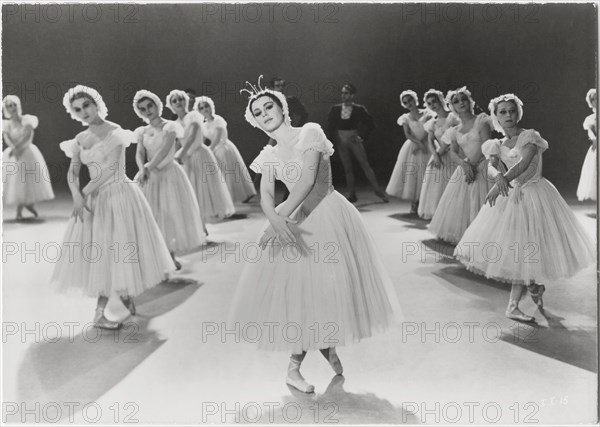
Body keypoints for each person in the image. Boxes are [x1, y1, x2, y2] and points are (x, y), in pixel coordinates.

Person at [228, 76, 401, 394]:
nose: (265, 113)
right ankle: (293, 369)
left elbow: (307, 181)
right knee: (301, 289)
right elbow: (266, 192)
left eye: (270, 106)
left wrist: (278, 218)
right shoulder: (269, 153)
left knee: (325, 285)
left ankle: (324, 343)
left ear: (283, 109)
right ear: (253, 121)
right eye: (258, 111)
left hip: (327, 215)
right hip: (292, 218)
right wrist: (273, 218)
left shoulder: (310, 132)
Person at [455, 94, 595, 322]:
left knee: (533, 245)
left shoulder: (529, 137)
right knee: (518, 248)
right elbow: (490, 167)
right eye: (503, 112)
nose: (508, 115)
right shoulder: (496, 144)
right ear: (496, 116)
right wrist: (498, 176)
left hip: (534, 195)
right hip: (511, 197)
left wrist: (504, 180)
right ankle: (520, 297)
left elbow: (525, 164)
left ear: (518, 113)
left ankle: (530, 286)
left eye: (512, 111)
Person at [50, 85, 174, 329]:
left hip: (119, 195)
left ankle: (125, 294)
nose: (83, 111)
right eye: (77, 109)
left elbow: (111, 168)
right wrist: (76, 195)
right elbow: (73, 171)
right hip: (96, 200)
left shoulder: (115, 131)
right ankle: (99, 314)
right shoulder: (79, 140)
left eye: (86, 105)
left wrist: (84, 192)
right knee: (104, 253)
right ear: (73, 113)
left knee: (120, 248)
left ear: (96, 104)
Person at [133, 89, 206, 270]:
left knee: (169, 215)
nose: (147, 110)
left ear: (157, 105)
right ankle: (153, 257)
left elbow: (164, 151)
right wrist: (142, 169)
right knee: (151, 215)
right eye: (143, 109)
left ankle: (170, 256)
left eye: (150, 106)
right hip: (149, 175)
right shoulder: (142, 131)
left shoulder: (170, 127)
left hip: (168, 174)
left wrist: (149, 167)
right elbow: (140, 152)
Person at [428, 87, 494, 244]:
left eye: (463, 99)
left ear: (470, 101)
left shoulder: (482, 120)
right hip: (465, 167)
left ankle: (483, 236)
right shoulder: (454, 130)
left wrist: (471, 165)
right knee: (462, 202)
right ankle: (466, 235)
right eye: (456, 101)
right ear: (452, 107)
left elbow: (485, 146)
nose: (461, 103)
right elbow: (453, 152)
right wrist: (464, 166)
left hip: (483, 166)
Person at [167, 89, 235, 226]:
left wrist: (181, 153)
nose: (178, 102)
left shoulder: (193, 116)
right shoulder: (175, 124)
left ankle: (202, 223)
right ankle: (199, 225)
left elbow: (192, 137)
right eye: (174, 101)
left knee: (201, 190)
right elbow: (176, 142)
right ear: (171, 106)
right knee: (190, 191)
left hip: (199, 155)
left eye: (180, 99)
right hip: (187, 158)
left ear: (186, 101)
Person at [327, 83, 388, 203]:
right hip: (341, 140)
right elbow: (330, 125)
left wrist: (362, 137)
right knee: (347, 168)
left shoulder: (359, 109)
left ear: (352, 95)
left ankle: (377, 190)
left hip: (353, 139)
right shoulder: (336, 109)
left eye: (346, 93)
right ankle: (351, 193)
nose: (343, 95)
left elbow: (371, 124)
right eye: (342, 93)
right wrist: (332, 141)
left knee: (365, 165)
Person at [195, 95, 257, 203]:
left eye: (206, 106)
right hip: (214, 149)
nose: (205, 109)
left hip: (224, 148)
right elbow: (202, 141)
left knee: (229, 173)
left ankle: (235, 196)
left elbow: (217, 138)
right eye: (202, 108)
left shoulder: (218, 120)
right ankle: (222, 197)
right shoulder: (203, 125)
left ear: (211, 107)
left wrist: (209, 150)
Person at [2, 95, 55, 219]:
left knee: (27, 180)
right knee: (17, 181)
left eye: (14, 104)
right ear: (6, 109)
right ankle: (20, 209)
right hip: (14, 154)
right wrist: (13, 148)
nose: (13, 107)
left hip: (26, 151)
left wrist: (18, 148)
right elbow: (7, 137)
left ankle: (28, 204)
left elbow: (28, 136)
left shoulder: (27, 119)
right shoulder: (7, 124)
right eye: (10, 106)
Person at [385, 90, 433, 214]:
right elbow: (407, 134)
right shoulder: (405, 118)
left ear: (415, 100)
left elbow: (429, 129)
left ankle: (426, 203)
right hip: (413, 146)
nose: (408, 103)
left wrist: (423, 143)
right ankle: (415, 202)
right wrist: (418, 143)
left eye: (410, 100)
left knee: (427, 172)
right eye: (405, 102)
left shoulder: (427, 113)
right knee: (413, 174)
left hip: (428, 144)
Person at [417, 89, 460, 219]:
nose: (432, 105)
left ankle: (451, 214)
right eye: (429, 103)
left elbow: (454, 138)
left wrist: (440, 153)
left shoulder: (452, 117)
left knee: (451, 184)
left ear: (441, 100)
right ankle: (438, 214)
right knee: (435, 184)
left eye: (434, 101)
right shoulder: (433, 122)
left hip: (452, 153)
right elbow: (430, 140)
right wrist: (435, 155)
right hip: (438, 155)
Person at [267, 76, 310, 202]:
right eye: (277, 86)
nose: (280, 88)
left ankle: (289, 195)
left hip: (289, 136)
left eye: (281, 86)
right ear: (272, 88)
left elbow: (304, 114)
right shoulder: (269, 103)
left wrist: (295, 129)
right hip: (276, 135)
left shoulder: (290, 101)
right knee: (268, 160)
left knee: (291, 164)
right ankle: (258, 190)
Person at [576, 88, 597, 201]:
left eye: (597, 98)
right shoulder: (590, 119)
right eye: (593, 99)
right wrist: (594, 140)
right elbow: (590, 133)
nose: (595, 101)